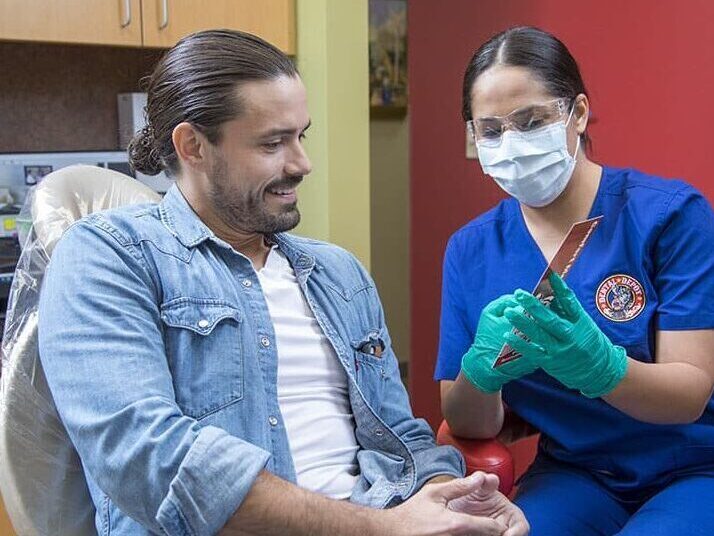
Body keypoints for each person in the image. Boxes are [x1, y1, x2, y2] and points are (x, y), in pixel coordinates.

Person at [37, 30, 528, 536]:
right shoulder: (109, 256)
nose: (302, 164)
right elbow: (148, 458)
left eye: (302, 136)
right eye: (273, 143)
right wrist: (383, 528)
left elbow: (400, 438)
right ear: (193, 146)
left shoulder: (339, 273)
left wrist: (455, 502)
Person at [436, 25, 714, 536]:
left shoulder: (670, 216)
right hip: (575, 474)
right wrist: (482, 371)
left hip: (693, 469)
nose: (511, 143)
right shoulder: (471, 249)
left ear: (577, 113)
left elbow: (690, 393)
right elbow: (467, 421)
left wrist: (602, 367)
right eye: (491, 129)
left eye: (531, 120)